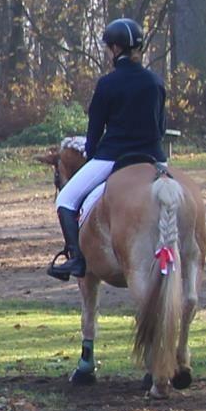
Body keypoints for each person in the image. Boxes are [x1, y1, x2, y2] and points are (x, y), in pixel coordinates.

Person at [52, 17, 166, 281]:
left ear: (115, 49)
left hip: (112, 158)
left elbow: (94, 133)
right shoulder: (155, 82)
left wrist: (92, 154)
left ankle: (77, 260)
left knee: (66, 200)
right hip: (155, 160)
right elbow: (160, 129)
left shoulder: (107, 84)